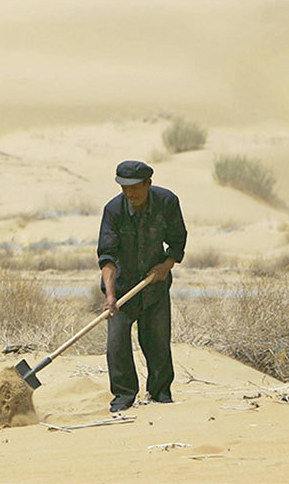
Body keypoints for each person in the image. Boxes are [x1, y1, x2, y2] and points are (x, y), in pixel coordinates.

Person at [97, 160, 187, 412]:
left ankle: (160, 394)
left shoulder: (167, 202)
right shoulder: (113, 210)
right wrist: (111, 295)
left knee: (157, 341)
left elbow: (178, 242)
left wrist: (166, 265)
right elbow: (107, 257)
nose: (129, 194)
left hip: (154, 286)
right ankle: (123, 396)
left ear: (148, 183)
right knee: (117, 344)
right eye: (124, 188)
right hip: (123, 289)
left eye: (135, 188)